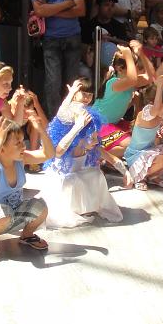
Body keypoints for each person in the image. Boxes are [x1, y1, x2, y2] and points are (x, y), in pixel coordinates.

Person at [42, 79, 125, 227]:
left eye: (90, 94)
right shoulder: (69, 116)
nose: (87, 98)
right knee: (72, 181)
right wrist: (72, 95)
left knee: (96, 175)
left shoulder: (89, 118)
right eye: (84, 94)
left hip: (80, 167)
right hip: (65, 171)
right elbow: (59, 151)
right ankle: (74, 209)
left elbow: (98, 148)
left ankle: (86, 207)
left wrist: (123, 169)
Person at [0, 114, 53, 262]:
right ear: (2, 148)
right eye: (17, 143)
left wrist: (41, 131)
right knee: (3, 212)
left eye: (22, 140)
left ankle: (27, 235)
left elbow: (48, 154)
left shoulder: (20, 159)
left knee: (41, 207)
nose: (23, 145)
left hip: (14, 215)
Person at [33, 0, 85, 113]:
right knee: (53, 82)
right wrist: (68, 3)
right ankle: (53, 121)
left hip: (73, 37)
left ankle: (69, 118)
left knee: (72, 83)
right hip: (51, 37)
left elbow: (81, 10)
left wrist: (51, 9)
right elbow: (39, 11)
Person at [123, 78, 163, 190]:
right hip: (136, 155)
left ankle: (152, 176)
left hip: (149, 151)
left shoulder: (161, 113)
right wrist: (159, 86)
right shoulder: (145, 113)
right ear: (152, 103)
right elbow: (156, 108)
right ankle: (140, 177)